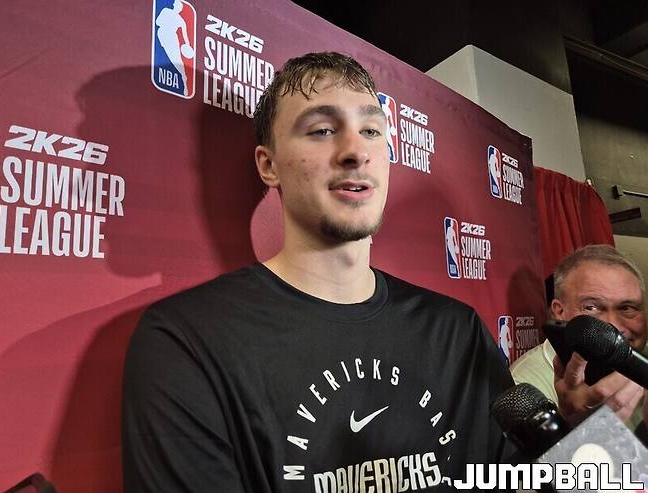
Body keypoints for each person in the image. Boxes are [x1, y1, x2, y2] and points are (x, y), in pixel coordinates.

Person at [122, 52, 513, 492]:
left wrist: (578, 445)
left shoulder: (457, 332)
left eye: (371, 131)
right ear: (269, 165)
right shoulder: (187, 341)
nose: (355, 152)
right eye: (323, 130)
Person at [511, 244, 648, 434]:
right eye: (592, 308)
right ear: (559, 312)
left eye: (627, 308)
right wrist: (579, 429)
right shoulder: (524, 387)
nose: (614, 327)